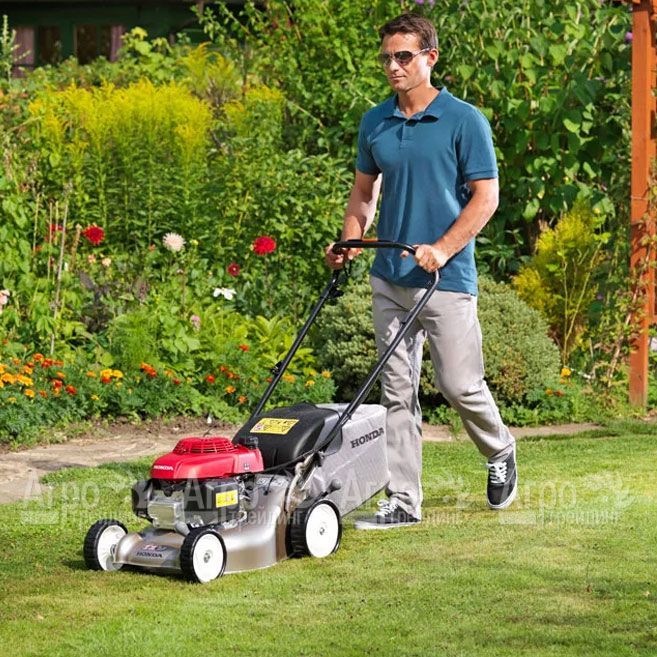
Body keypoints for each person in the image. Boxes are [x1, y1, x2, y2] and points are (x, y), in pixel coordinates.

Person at [325, 12, 517, 529]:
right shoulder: (375, 122)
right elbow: (363, 192)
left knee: (459, 385)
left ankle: (499, 447)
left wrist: (444, 248)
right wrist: (349, 240)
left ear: (430, 58)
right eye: (387, 57)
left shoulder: (463, 120)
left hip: (444, 279)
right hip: (389, 276)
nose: (394, 66)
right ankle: (403, 501)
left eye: (404, 56)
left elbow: (486, 198)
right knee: (396, 390)